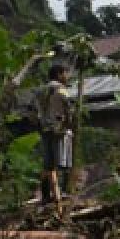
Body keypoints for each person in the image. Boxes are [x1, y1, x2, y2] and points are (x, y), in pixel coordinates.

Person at [38, 64, 74, 209]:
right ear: (59, 74)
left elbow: (33, 111)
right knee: (64, 163)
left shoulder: (40, 90)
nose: (67, 76)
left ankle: (46, 195)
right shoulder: (61, 90)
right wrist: (69, 125)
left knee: (48, 164)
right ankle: (64, 192)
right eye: (66, 73)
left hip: (45, 129)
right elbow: (69, 110)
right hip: (59, 130)